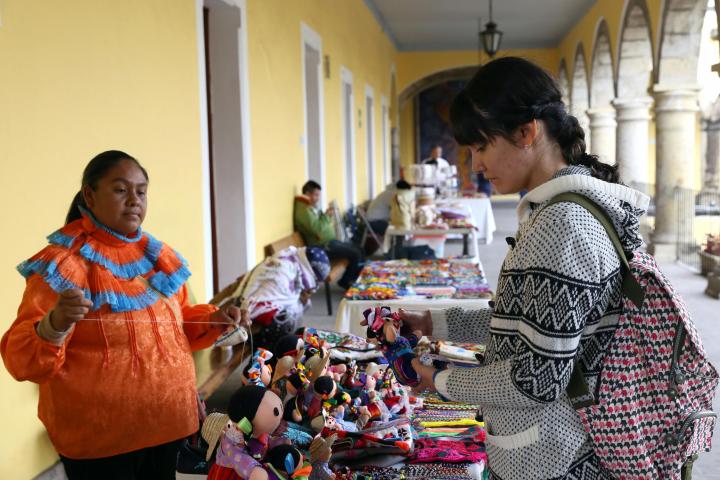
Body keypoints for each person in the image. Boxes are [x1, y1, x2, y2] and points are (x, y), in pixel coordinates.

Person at [396, 57, 650, 480]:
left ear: (527, 132)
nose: (476, 164)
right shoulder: (558, 211)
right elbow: (524, 325)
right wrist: (432, 322)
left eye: (481, 147)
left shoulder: (562, 224)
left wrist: (438, 380)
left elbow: (534, 380)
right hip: (548, 447)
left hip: (552, 458)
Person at [1, 150, 247, 479]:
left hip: (166, 423)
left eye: (141, 191)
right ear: (89, 194)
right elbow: (22, 360)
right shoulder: (63, 265)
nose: (134, 200)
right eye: (120, 190)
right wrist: (54, 324)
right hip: (101, 439)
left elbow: (178, 326)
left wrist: (216, 319)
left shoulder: (156, 256)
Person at [224, 245, 330, 349]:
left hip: (253, 318)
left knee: (298, 337)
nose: (314, 286)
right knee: (288, 340)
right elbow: (253, 307)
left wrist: (302, 300)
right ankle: (266, 360)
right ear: (309, 272)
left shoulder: (294, 267)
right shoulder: (284, 272)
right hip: (251, 322)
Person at [294, 180, 364, 289]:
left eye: (318, 195)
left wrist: (326, 215)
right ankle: (345, 281)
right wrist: (326, 216)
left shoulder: (310, 208)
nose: (318, 198)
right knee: (355, 254)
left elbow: (320, 223)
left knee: (359, 249)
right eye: (316, 195)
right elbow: (316, 229)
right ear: (307, 194)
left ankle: (353, 279)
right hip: (322, 246)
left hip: (329, 242)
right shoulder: (304, 210)